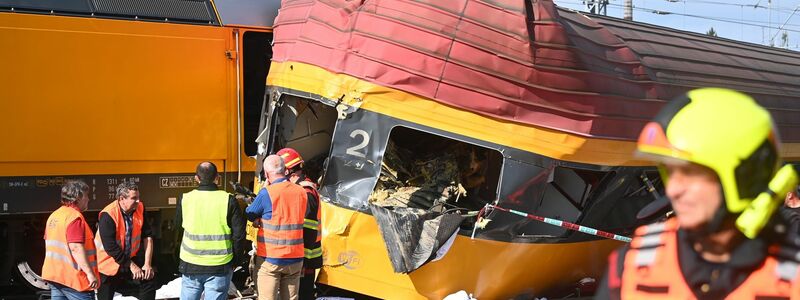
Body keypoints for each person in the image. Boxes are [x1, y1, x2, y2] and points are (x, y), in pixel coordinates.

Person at [596, 88, 800, 299]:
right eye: (670, 172)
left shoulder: (791, 275)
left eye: (690, 173)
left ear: (745, 177)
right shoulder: (634, 264)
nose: (673, 190)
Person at [176, 161, 246, 300]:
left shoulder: (185, 199)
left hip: (191, 264)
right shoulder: (228, 200)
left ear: (196, 178)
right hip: (220, 266)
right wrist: (236, 261)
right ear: (217, 178)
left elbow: (177, 230)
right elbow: (239, 235)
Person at [246, 155, 308, 300]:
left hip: (271, 259)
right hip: (295, 257)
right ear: (285, 170)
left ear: (267, 174)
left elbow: (250, 213)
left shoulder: (267, 192)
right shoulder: (301, 192)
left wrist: (259, 218)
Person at [95, 182, 157, 300]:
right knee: (105, 295)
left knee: (148, 281)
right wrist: (132, 266)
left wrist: (147, 264)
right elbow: (111, 247)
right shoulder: (108, 215)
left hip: (129, 257)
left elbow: (148, 236)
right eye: (134, 198)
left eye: (138, 197)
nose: (138, 201)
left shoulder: (140, 208)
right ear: (121, 199)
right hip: (108, 262)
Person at [42, 180, 100, 300]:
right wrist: (90, 274)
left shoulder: (54, 216)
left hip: (56, 277)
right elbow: (76, 248)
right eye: (86, 196)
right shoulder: (74, 218)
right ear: (78, 198)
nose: (88, 199)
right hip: (74, 280)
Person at [276, 148, 322, 300]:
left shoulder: (306, 193)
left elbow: (308, 230)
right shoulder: (301, 189)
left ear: (289, 172)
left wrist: (302, 261)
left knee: (303, 295)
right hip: (302, 257)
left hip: (304, 259)